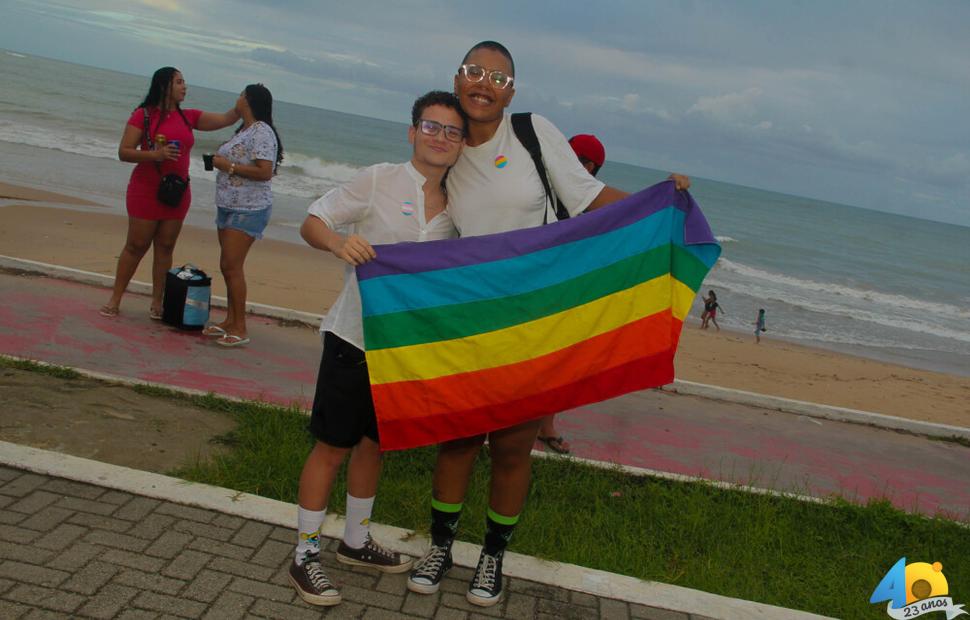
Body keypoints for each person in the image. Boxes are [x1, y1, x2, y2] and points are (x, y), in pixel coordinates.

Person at [406, 41, 690, 608]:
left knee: (513, 448)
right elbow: (416, 208)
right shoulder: (448, 145)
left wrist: (661, 205)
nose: (483, 83)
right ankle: (440, 546)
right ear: (457, 79)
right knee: (458, 440)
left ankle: (492, 556)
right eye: (473, 72)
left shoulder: (532, 133)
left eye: (497, 76)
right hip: (469, 316)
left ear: (512, 90)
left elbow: (588, 199)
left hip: (533, 318)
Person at [288, 91, 467, 607]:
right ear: (412, 132)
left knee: (374, 444)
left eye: (452, 132)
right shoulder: (377, 180)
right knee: (331, 447)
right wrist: (338, 244)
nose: (440, 138)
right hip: (354, 339)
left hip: (406, 350)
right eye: (431, 127)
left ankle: (356, 540)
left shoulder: (462, 203)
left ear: (461, 145)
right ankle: (304, 555)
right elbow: (313, 221)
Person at [99, 67, 240, 319]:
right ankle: (115, 298)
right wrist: (156, 154)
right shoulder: (142, 115)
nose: (184, 86)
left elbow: (227, 118)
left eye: (184, 82)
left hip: (177, 192)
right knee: (136, 245)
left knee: (165, 247)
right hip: (145, 188)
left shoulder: (189, 117)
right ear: (164, 86)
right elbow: (124, 152)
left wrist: (246, 99)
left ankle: (157, 303)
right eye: (179, 82)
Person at [536, 133, 607, 455]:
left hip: (565, 297)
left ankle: (546, 426)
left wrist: (669, 191)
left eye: (579, 160)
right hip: (528, 289)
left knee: (557, 367)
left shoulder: (592, 204)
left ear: (591, 167)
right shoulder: (537, 187)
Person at [200, 84, 284, 347]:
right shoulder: (245, 130)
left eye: (240, 95)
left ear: (246, 100)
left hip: (248, 208)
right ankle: (230, 320)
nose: (236, 99)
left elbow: (264, 171)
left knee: (232, 266)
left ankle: (240, 327)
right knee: (227, 265)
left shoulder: (262, 132)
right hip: (228, 205)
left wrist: (229, 166)